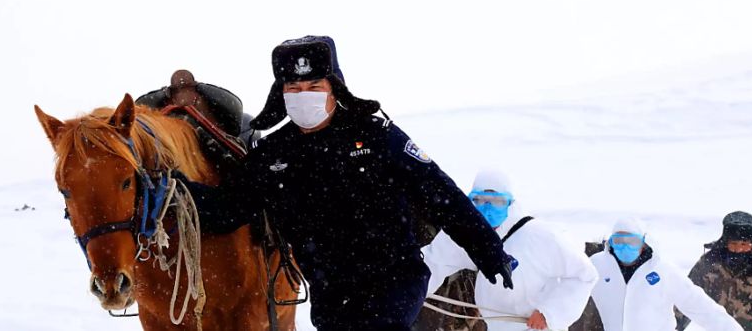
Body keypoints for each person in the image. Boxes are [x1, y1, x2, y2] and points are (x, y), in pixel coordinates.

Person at [185, 36, 515, 331]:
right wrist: (175, 188)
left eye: (314, 87)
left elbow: (440, 193)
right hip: (330, 291)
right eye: (294, 89)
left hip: (394, 281)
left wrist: (487, 248)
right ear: (281, 94)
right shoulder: (272, 155)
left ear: (334, 88)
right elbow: (226, 210)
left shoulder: (376, 135)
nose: (304, 97)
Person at [421, 170, 598, 331]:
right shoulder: (466, 233)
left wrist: (549, 313)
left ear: (510, 203)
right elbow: (433, 263)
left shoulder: (539, 236)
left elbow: (584, 274)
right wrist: (406, 293)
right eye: (479, 201)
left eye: (497, 202)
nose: (487, 208)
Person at [588, 217, 742, 331]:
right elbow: (569, 291)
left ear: (643, 242)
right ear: (611, 243)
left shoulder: (662, 270)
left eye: (632, 242)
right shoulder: (598, 266)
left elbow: (699, 306)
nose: (624, 247)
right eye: (619, 241)